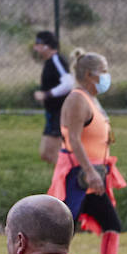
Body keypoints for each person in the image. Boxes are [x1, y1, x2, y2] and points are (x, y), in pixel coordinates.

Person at [48, 50, 127, 254]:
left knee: (111, 223)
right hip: (78, 179)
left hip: (95, 176)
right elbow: (73, 139)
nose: (107, 76)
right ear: (90, 75)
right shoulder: (77, 99)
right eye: (104, 71)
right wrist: (89, 171)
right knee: (61, 232)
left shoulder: (91, 98)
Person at [31, 31, 72, 164]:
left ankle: (72, 179)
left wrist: (47, 94)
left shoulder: (56, 60)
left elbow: (68, 83)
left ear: (46, 46)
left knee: (52, 153)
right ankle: (71, 178)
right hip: (52, 113)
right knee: (46, 154)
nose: (35, 47)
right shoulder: (49, 62)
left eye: (38, 44)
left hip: (60, 112)